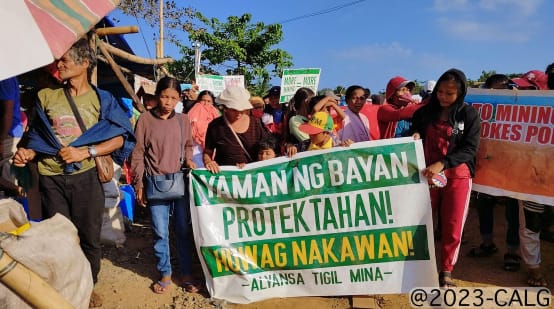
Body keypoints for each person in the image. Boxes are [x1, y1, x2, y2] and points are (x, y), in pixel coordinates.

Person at [13, 39, 135, 308]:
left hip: (86, 176)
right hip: (50, 177)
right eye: (60, 60)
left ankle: (88, 287)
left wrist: (86, 152)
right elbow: (35, 137)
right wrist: (27, 153)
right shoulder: (47, 96)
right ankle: (64, 288)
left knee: (89, 237)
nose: (61, 64)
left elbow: (119, 137)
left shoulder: (103, 99)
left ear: (83, 63)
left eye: (66, 60)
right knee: (59, 238)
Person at [410, 68, 481, 288]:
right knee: (422, 221)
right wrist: (415, 135)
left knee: (452, 224)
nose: (443, 96)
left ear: (460, 94)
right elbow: (415, 131)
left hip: (457, 176)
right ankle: (422, 267)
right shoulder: (423, 113)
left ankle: (446, 269)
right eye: (440, 91)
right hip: (426, 175)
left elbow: (470, 149)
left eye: (449, 93)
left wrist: (444, 163)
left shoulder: (469, 115)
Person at [130, 76, 198, 294]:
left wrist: (189, 159)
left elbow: (188, 145)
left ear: (179, 98)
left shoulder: (183, 120)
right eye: (164, 96)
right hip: (154, 182)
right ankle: (165, 272)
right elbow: (138, 153)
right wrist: (138, 183)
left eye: (173, 98)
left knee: (183, 230)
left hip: (179, 182)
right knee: (160, 231)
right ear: (157, 96)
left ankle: (186, 272)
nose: (168, 102)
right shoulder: (145, 120)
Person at [468, 74, 520, 272]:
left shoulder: (518, 107)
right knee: (484, 205)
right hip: (487, 168)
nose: (504, 90)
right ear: (488, 89)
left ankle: (512, 252)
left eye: (507, 87)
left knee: (513, 211)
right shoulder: (478, 109)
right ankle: (487, 243)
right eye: (500, 87)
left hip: (512, 169)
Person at [203, 87, 296, 173]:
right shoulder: (215, 126)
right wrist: (209, 162)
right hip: (228, 180)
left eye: (241, 109)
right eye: (234, 110)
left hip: (253, 178)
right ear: (225, 108)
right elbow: (207, 152)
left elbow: (272, 143)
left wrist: (288, 145)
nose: (239, 113)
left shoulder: (256, 123)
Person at [0, 77, 24, 188]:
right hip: (8, 132)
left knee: (6, 179)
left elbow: (7, 111)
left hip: (7, 133)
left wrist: (1, 140)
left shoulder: (5, 78)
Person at [187, 90, 219, 168]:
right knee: (199, 168)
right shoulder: (194, 110)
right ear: (199, 100)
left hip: (211, 147)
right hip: (196, 146)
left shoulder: (215, 113)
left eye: (208, 101)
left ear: (212, 103)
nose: (206, 103)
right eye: (203, 100)